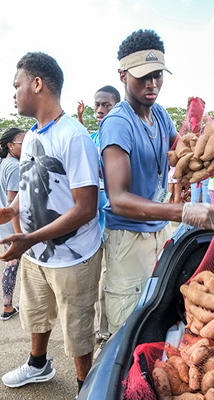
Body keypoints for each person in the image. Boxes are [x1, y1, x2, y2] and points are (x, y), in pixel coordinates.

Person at [0, 51, 102, 394]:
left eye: (17, 85)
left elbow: (85, 209)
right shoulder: (32, 136)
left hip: (73, 258)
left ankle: (85, 387)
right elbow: (27, 182)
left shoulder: (74, 136)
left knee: (77, 329)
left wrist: (30, 238)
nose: (14, 92)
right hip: (36, 255)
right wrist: (12, 209)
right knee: (37, 314)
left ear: (37, 84)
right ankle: (38, 365)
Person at [95, 29, 214, 335]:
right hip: (128, 238)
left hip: (157, 231)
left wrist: (207, 153)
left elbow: (181, 154)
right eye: (143, 76)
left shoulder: (160, 115)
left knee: (157, 305)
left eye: (157, 75)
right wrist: (183, 211)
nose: (152, 83)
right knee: (128, 320)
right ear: (123, 74)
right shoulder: (118, 123)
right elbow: (120, 199)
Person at [76, 84, 122, 349]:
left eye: (106, 105)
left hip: (115, 222)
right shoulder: (93, 138)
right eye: (98, 105)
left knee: (110, 280)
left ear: (118, 106)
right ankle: (98, 329)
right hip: (92, 223)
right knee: (93, 282)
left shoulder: (121, 134)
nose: (100, 110)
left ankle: (106, 333)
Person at [0, 127, 26, 321]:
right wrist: (19, 235)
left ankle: (8, 305)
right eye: (23, 143)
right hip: (12, 225)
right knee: (12, 264)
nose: (27, 146)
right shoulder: (15, 167)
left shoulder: (7, 163)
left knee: (10, 264)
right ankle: (7, 307)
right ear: (10, 146)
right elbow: (13, 203)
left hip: (5, 224)